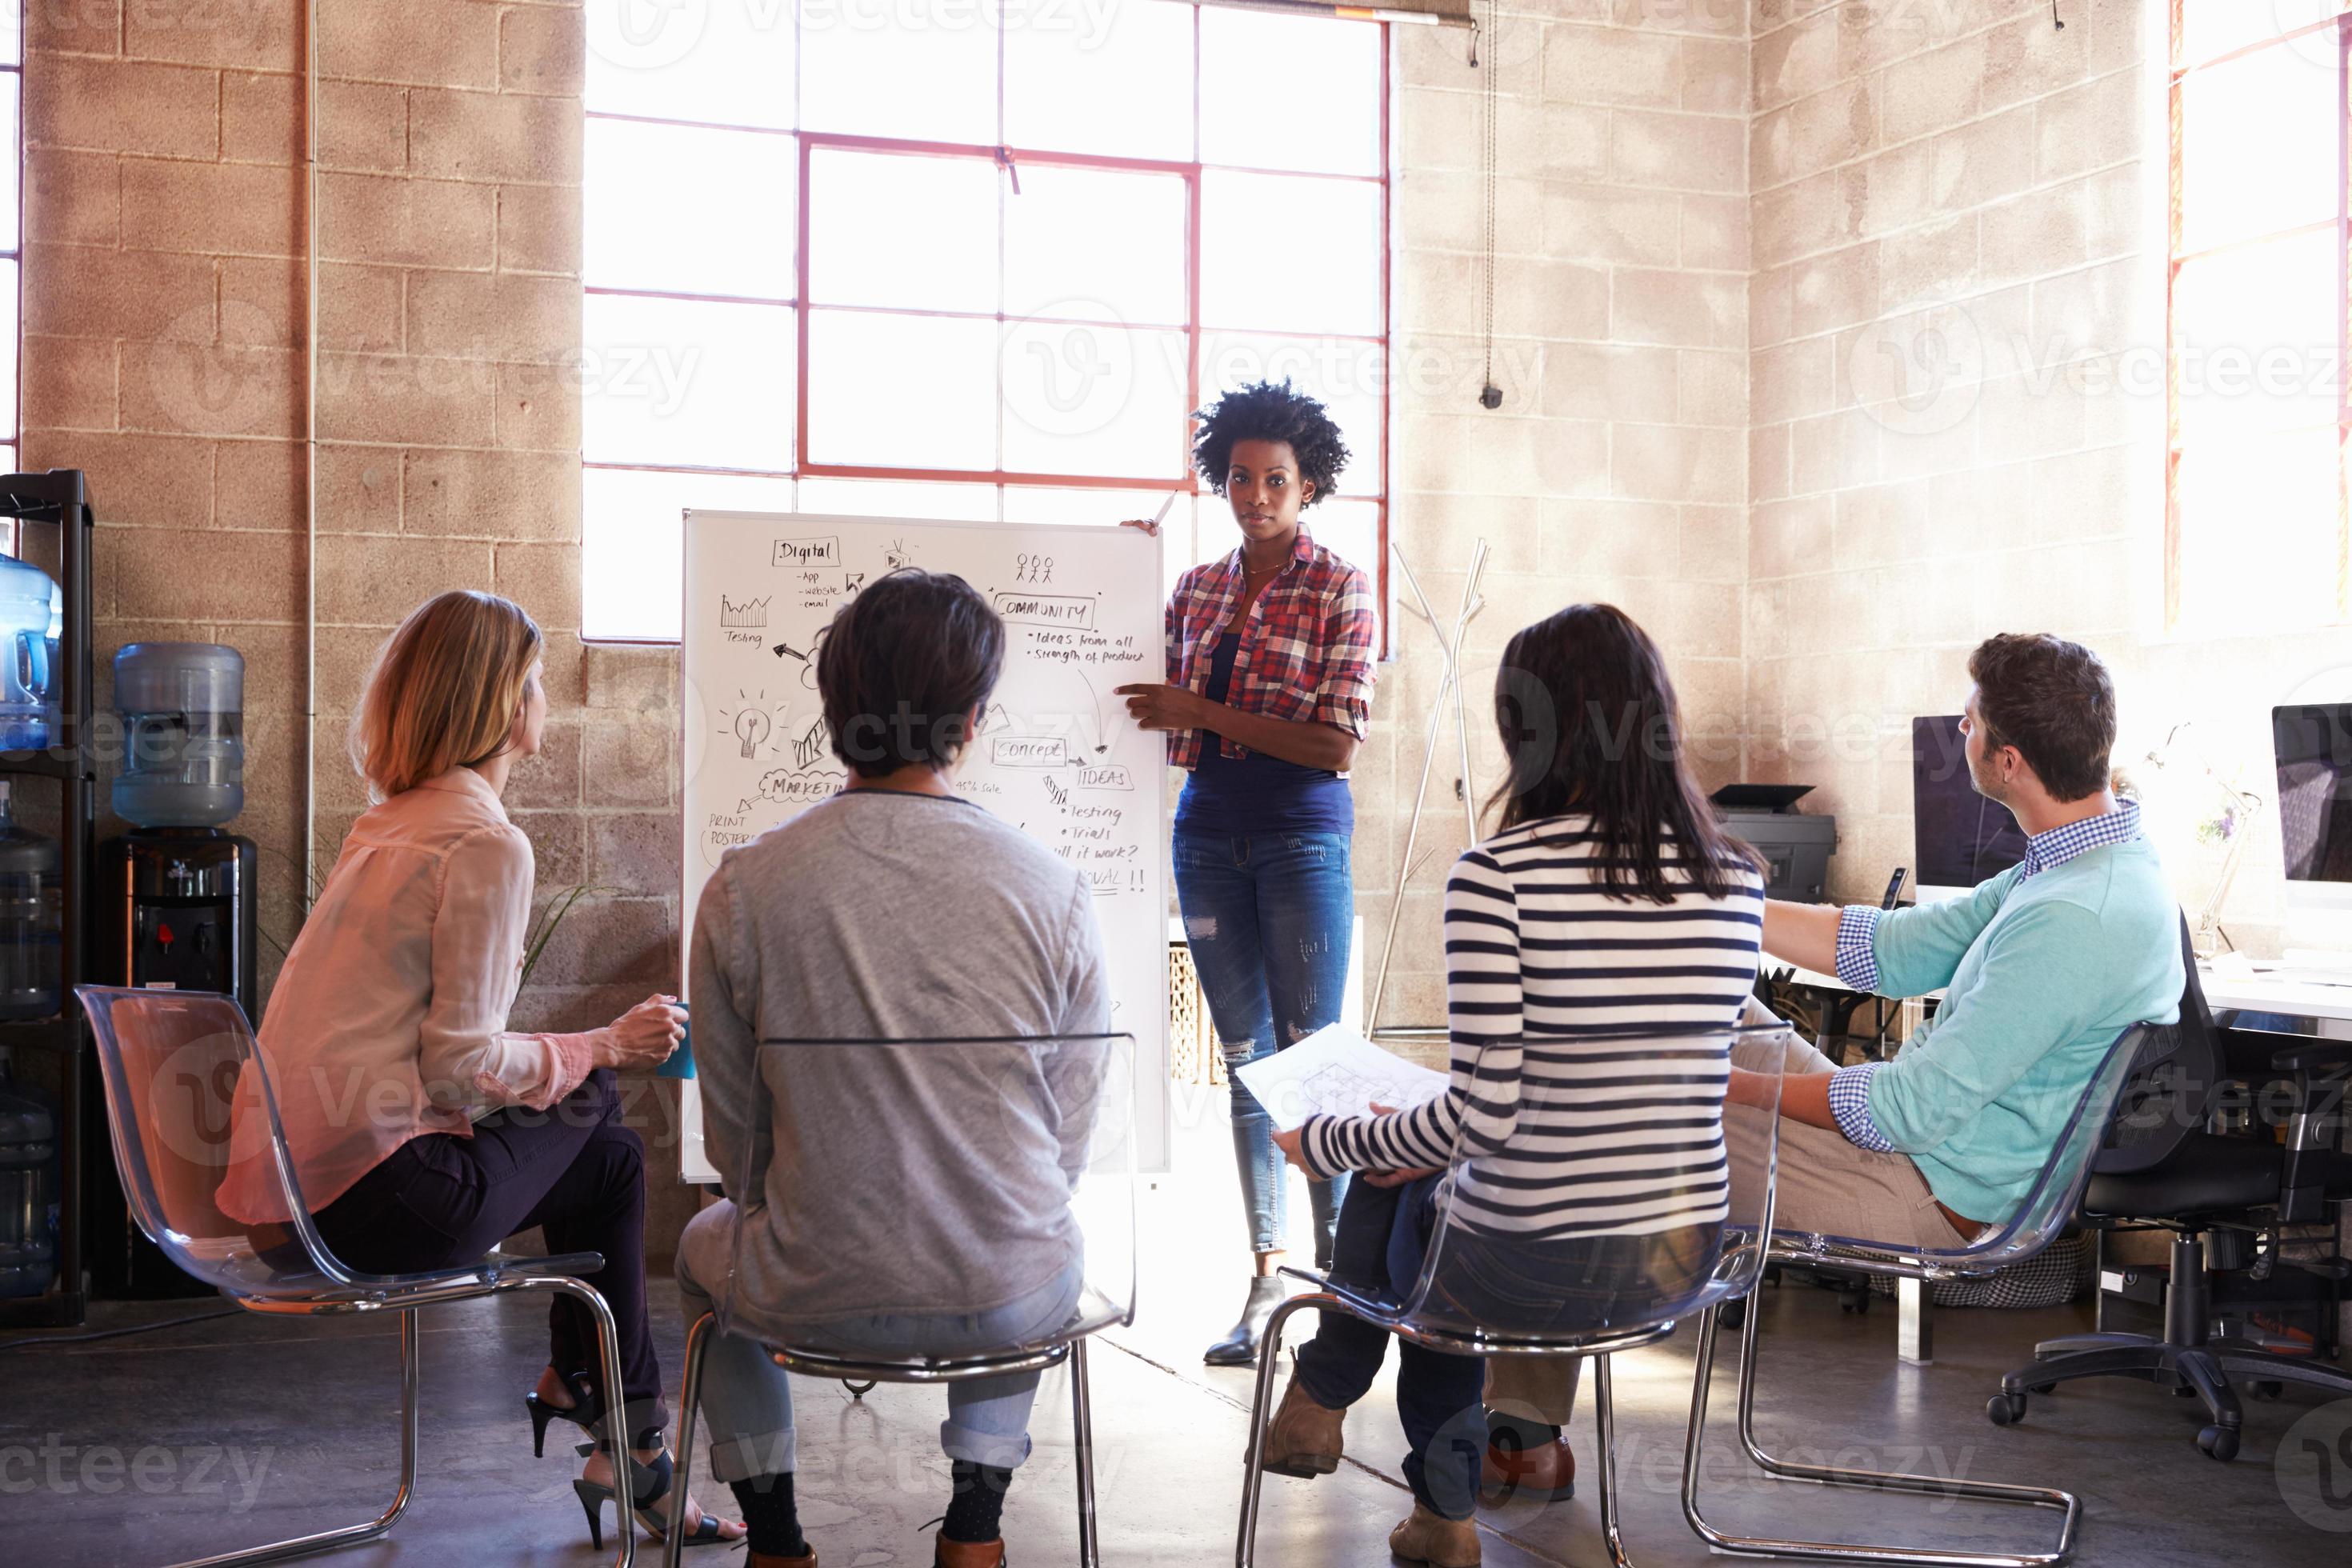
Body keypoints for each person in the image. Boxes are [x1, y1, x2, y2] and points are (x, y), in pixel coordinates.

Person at [217, 590, 735, 1550]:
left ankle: (620, 1429)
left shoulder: (386, 826)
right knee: (594, 1088)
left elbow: (439, 1057)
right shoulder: (487, 841)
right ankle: (616, 1428)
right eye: (535, 679)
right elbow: (456, 1070)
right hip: (376, 1208)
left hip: (280, 1205)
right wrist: (609, 1043)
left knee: (613, 1161)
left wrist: (585, 1051)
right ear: (505, 703)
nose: (545, 697)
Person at [1258, 604, 1767, 1568]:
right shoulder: (1737, 878)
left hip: (1524, 1263)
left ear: (1521, 730)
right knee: (1421, 1183)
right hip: (1679, 1254)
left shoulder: (1497, 876)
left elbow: (1482, 1114)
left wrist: (1323, 1141)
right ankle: (1348, 1423)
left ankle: (1374, 1440)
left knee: (1407, 1199)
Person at [678, 569, 1111, 1568]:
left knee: (703, 1254)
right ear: (973, 718)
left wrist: (789, 1203)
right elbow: (1070, 1131)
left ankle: (777, 1541)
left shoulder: (746, 887)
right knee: (1035, 1225)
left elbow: (734, 1146)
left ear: (834, 710)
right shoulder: (1052, 888)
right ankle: (976, 1527)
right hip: (1007, 1292)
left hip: (805, 1285)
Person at [1723, 631, 2184, 1242]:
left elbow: (1909, 1110)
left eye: (1970, 723)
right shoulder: (2075, 863)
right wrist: (1725, 908)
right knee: (1713, 1009)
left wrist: (1726, 1087)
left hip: (1924, 1192)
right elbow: (1894, 951)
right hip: (1913, 1156)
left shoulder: (2074, 916)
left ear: (2010, 762)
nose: (1961, 735)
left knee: (1631, 1120)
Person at [1114, 378, 1378, 1366]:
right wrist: (1112, 568)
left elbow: (1335, 746)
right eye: (1239, 478)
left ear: (1309, 485)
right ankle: (1268, 1280)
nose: (1256, 495)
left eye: (1276, 479)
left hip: (1301, 834)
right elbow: (1140, 689)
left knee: (1313, 1059)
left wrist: (1207, 716)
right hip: (1206, 833)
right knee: (1249, 1065)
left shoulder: (1340, 586)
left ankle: (1345, 1280)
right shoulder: (1194, 590)